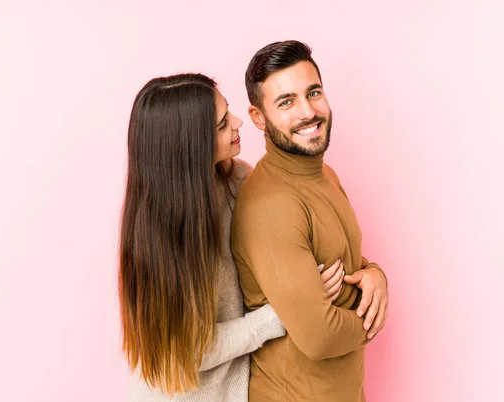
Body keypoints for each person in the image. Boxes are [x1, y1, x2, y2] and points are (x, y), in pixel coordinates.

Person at [118, 73, 345, 401]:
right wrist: (282, 314)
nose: (238, 122)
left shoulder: (238, 179)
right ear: (191, 147)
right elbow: (189, 351)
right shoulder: (159, 237)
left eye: (229, 112)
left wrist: (370, 274)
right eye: (223, 124)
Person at [231, 40, 389, 401]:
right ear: (259, 118)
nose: (308, 112)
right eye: (286, 102)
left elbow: (349, 264)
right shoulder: (270, 204)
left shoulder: (326, 175)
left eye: (313, 92)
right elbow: (319, 336)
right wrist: (377, 313)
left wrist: (375, 274)